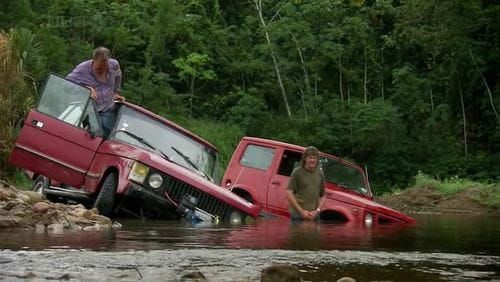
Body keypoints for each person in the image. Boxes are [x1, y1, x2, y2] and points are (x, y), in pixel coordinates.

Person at [66, 46, 125, 137]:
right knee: (90, 135)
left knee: (108, 134)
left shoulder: (114, 65)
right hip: (90, 109)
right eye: (99, 67)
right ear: (94, 60)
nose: (102, 69)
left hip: (108, 108)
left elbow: (118, 75)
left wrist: (116, 91)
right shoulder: (82, 69)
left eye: (105, 66)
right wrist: (86, 88)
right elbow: (67, 83)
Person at [286, 146, 326, 220]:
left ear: (317, 160)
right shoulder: (297, 172)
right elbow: (288, 193)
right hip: (298, 215)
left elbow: (323, 196)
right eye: (310, 158)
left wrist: (317, 211)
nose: (312, 160)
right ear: (305, 159)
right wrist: (301, 212)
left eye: (314, 158)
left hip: (314, 216)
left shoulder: (320, 173)